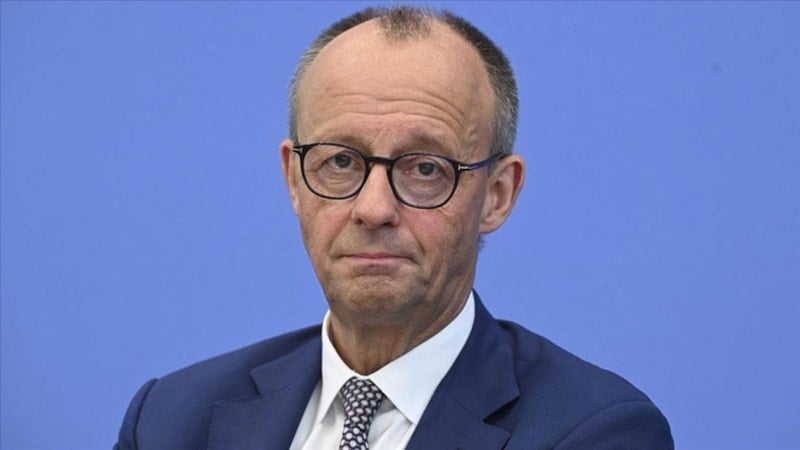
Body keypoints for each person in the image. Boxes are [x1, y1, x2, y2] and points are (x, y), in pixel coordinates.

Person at [114, 6, 673, 449]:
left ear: (497, 195)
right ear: (293, 179)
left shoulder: (593, 431)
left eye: (425, 169)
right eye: (340, 161)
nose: (373, 208)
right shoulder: (171, 420)